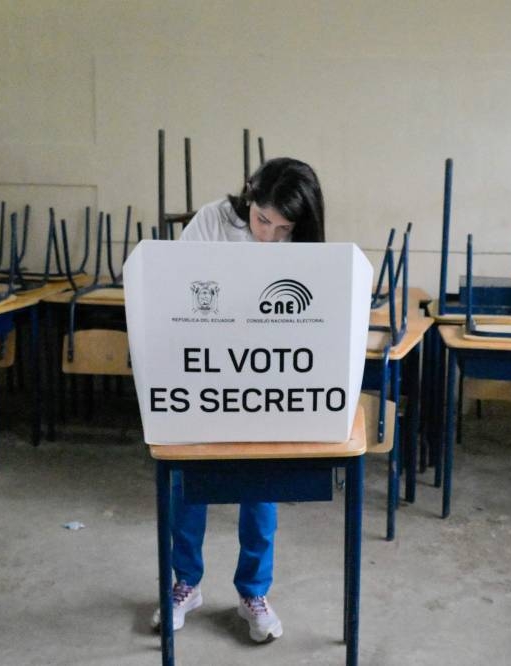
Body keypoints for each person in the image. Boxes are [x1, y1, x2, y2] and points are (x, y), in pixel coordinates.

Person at [150, 157, 326, 642]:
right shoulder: (212, 220)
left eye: (282, 228)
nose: (269, 236)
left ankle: (253, 590)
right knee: (188, 476)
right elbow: (174, 289)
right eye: (262, 219)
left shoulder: (306, 245)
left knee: (259, 483)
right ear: (249, 197)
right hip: (205, 367)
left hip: (264, 373)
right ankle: (185, 583)